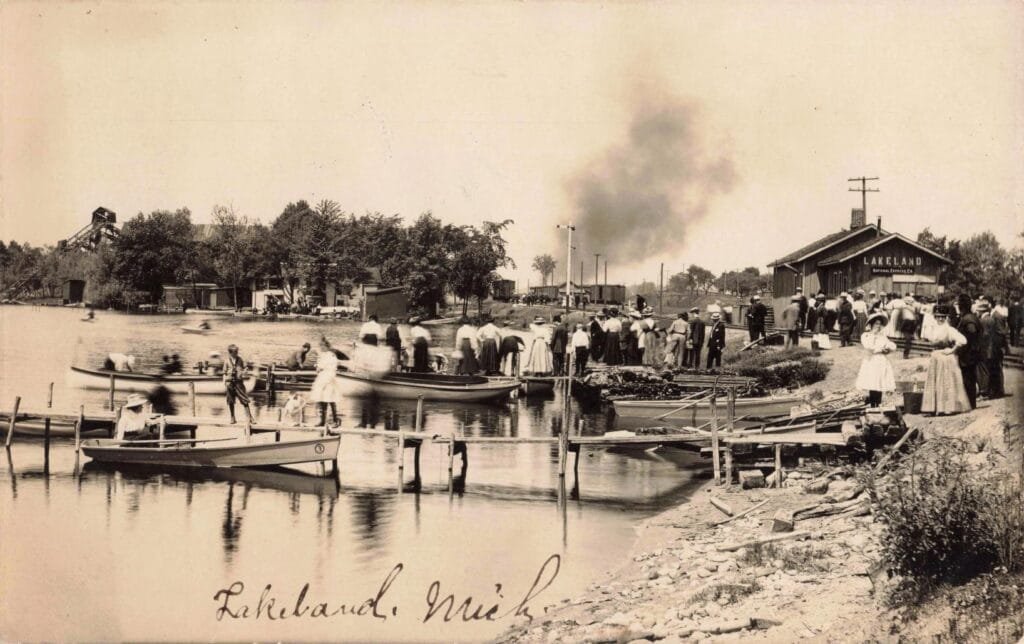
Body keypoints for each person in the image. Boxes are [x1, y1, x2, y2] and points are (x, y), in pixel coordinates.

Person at [921, 305, 971, 415]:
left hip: (945, 357)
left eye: (942, 317)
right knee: (934, 382)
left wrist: (952, 350)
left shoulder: (949, 329)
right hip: (935, 357)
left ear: (946, 317)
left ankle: (946, 408)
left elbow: (963, 340)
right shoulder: (932, 329)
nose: (940, 319)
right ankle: (933, 408)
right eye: (938, 316)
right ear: (935, 317)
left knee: (945, 382)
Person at [856, 312, 897, 407]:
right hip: (871, 361)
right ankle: (872, 405)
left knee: (880, 382)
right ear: (871, 324)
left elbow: (892, 345)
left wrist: (888, 349)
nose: (878, 326)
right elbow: (869, 347)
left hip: (881, 361)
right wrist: (880, 348)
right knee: (872, 382)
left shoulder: (882, 336)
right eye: (876, 324)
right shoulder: (866, 335)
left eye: (880, 324)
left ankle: (878, 405)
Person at [955, 294, 983, 410]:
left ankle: (970, 404)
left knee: (968, 380)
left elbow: (972, 333)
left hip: (968, 355)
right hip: (971, 354)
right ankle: (970, 403)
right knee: (969, 379)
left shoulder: (968, 319)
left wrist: (965, 348)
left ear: (962, 306)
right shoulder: (972, 317)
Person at [978, 300, 1007, 399]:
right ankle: (994, 391)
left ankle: (986, 391)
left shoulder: (984, 320)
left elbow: (986, 335)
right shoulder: (991, 318)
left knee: (986, 370)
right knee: (993, 370)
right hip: (993, 349)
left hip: (987, 349)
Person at [310, 338, 342, 427]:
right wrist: (318, 367)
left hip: (328, 379)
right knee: (322, 399)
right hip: (322, 378)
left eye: (322, 346)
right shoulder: (323, 355)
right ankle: (322, 420)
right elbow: (320, 365)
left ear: (326, 346)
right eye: (320, 346)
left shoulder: (331, 355)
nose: (320, 348)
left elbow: (332, 367)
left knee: (331, 399)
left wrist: (321, 369)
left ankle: (335, 420)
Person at [222, 344, 254, 424]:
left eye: (237, 351)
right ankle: (232, 417)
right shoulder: (226, 361)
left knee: (244, 400)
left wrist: (245, 371)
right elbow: (224, 373)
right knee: (230, 401)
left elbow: (244, 368)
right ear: (230, 353)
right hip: (230, 383)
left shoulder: (240, 360)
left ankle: (250, 417)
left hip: (239, 383)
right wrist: (224, 383)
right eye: (235, 352)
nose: (236, 353)